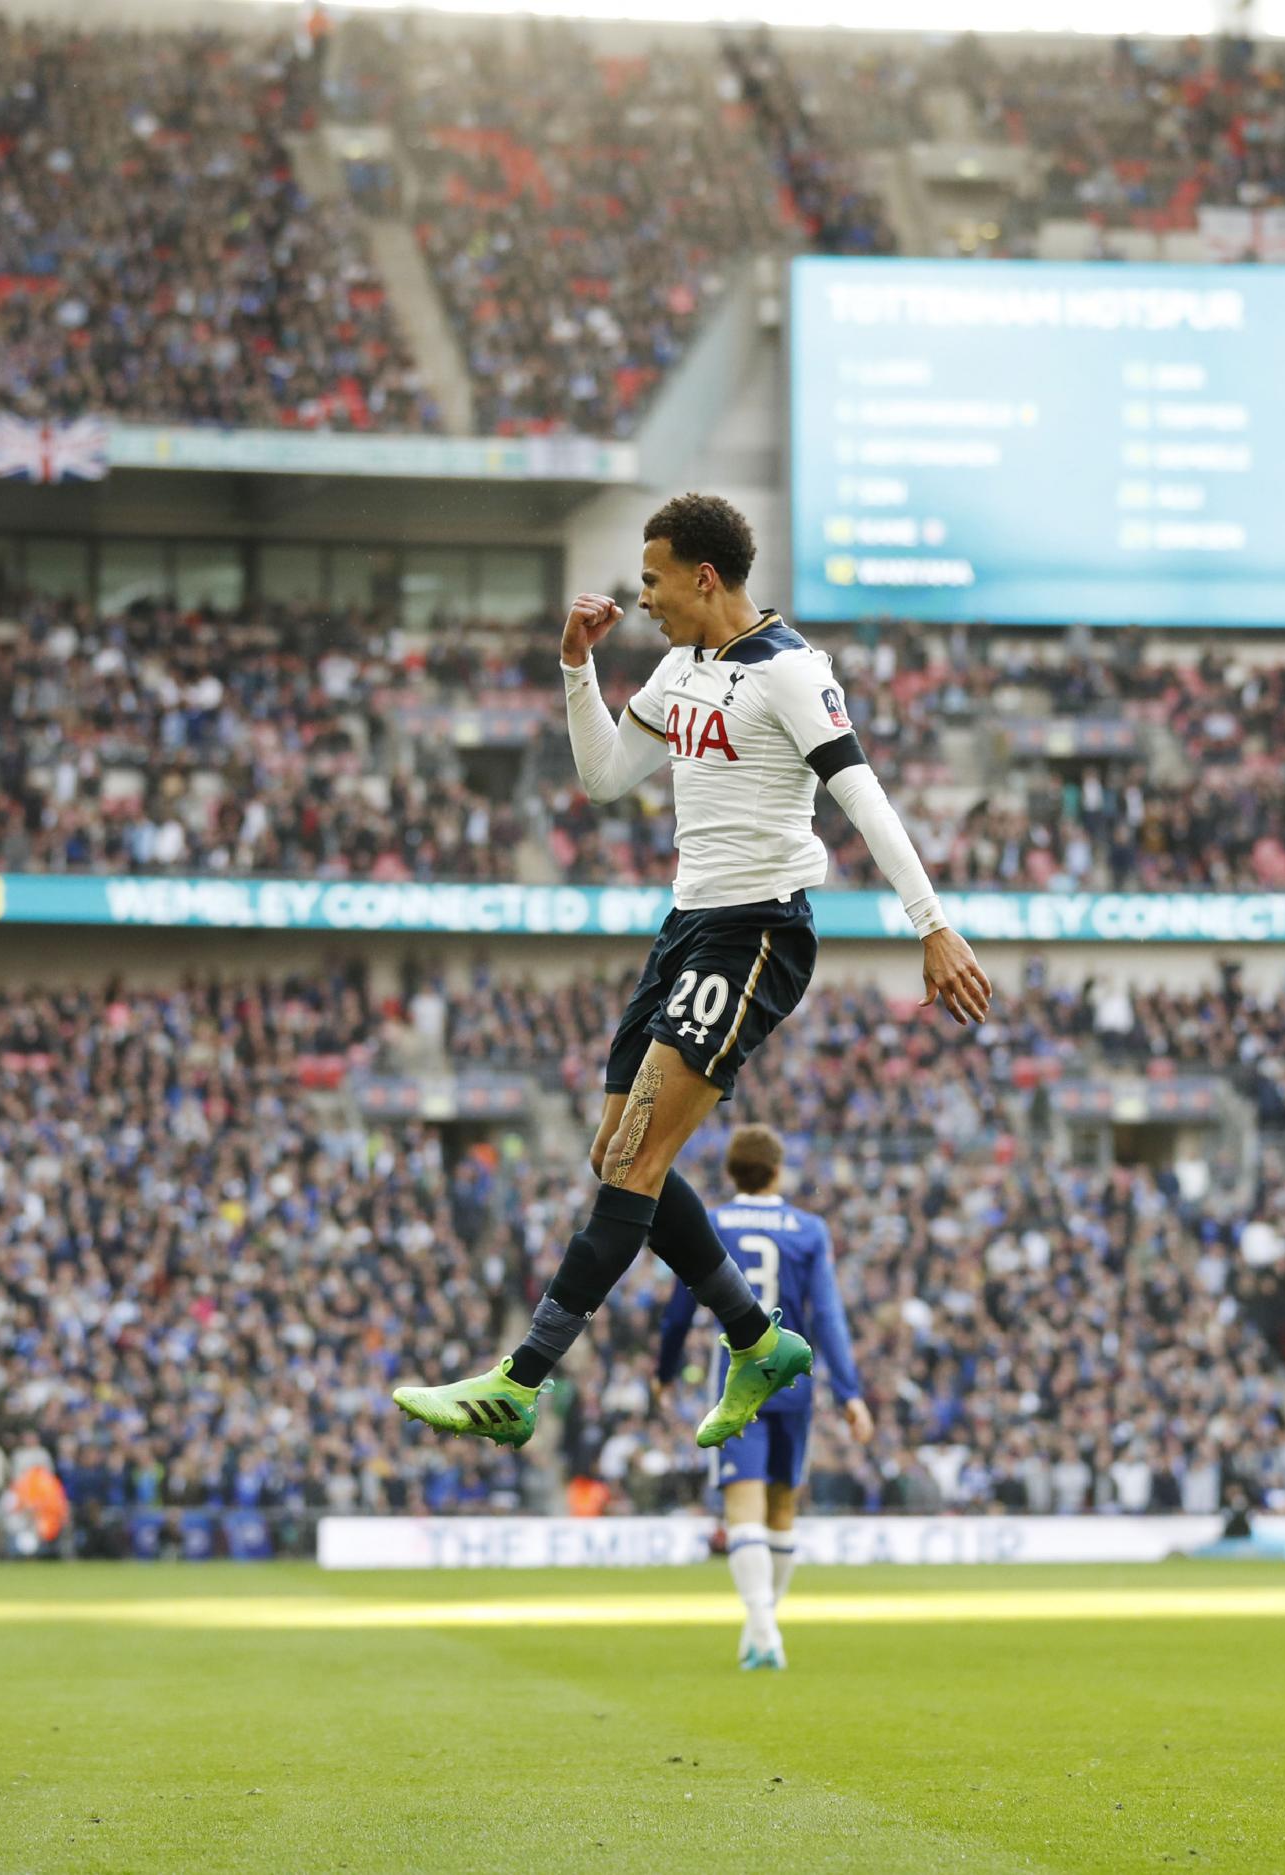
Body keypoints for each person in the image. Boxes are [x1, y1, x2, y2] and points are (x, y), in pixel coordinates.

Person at [395, 493, 988, 1450]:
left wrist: (933, 924)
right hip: (684, 925)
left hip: (756, 930)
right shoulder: (681, 667)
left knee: (634, 1161)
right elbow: (604, 777)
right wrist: (575, 667)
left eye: (654, 580)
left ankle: (522, 1377)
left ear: (703, 576)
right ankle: (756, 1339)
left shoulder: (792, 670)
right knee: (613, 1153)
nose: (646, 597)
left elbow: (860, 792)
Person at [657, 1126, 867, 1670]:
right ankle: (764, 1628)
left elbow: (680, 1309)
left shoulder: (714, 1222)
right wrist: (849, 1392)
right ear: (777, 1171)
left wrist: (664, 1369)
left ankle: (763, 1629)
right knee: (781, 1510)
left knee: (743, 1509)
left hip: (735, 1380)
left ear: (731, 1173)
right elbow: (827, 1313)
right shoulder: (809, 1228)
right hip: (794, 1381)